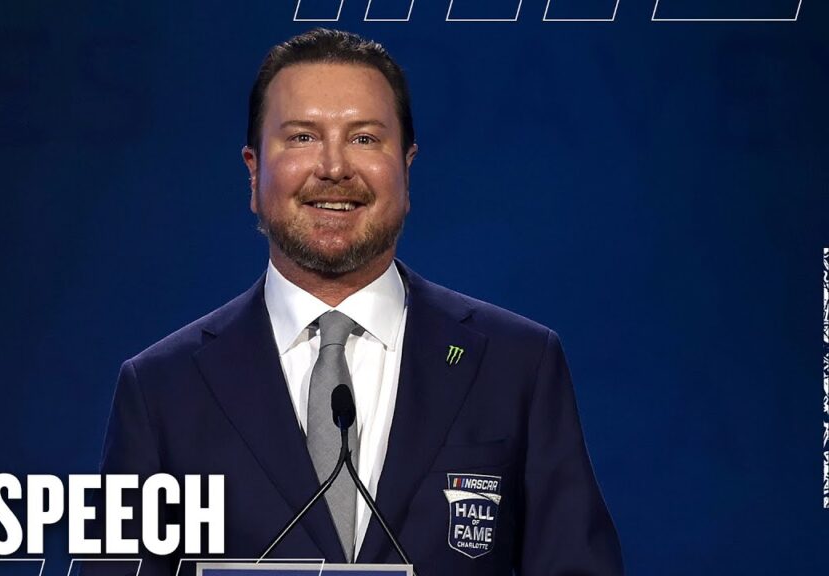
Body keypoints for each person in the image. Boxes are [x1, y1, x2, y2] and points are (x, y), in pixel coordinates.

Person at [98, 28, 623, 575]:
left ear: (407, 167)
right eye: (303, 137)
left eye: (365, 139)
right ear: (253, 172)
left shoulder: (518, 365)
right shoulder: (160, 390)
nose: (334, 167)